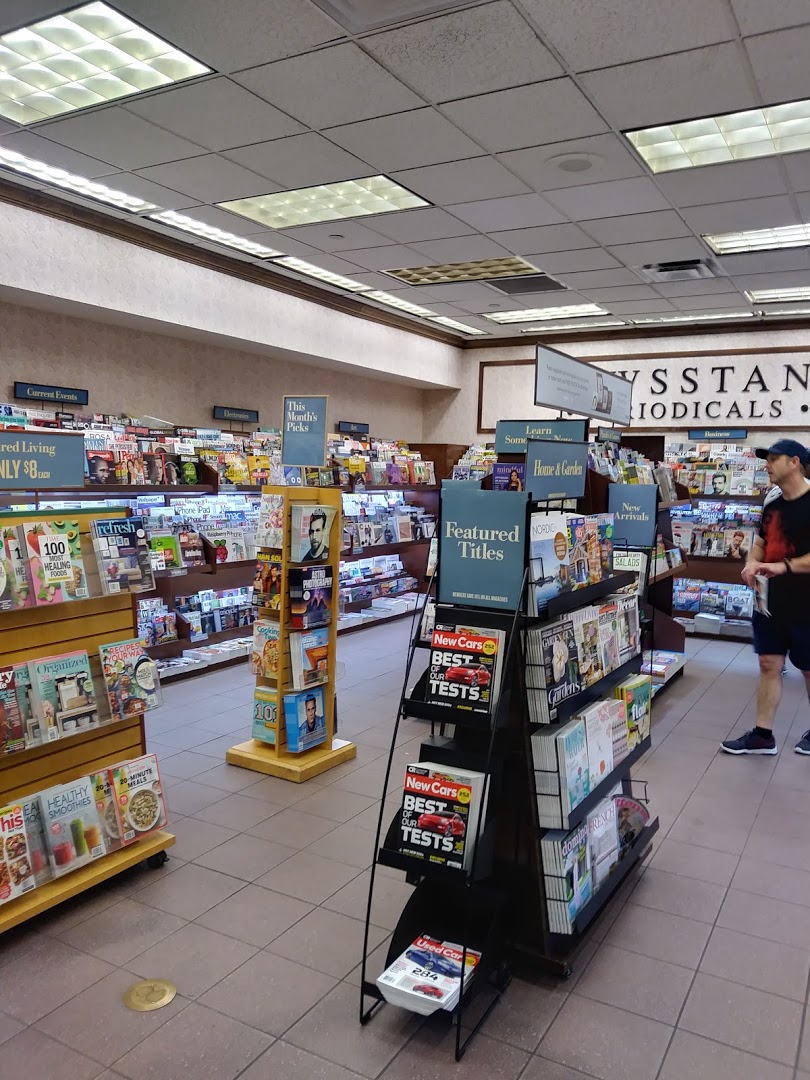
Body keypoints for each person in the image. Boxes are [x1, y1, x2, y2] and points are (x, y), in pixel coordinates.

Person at [722, 440, 810, 756]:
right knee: (768, 663)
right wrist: (751, 564)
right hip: (770, 601)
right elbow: (761, 543)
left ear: (794, 462)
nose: (767, 465)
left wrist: (782, 566)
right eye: (766, 459)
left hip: (806, 602)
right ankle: (763, 735)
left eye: (774, 459)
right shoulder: (772, 501)